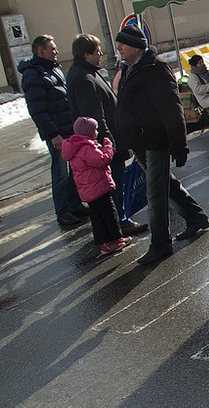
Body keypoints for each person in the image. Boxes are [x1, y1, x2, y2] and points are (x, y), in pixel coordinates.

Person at [114, 25, 209, 265]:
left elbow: (172, 108)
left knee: (155, 194)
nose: (118, 49)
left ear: (136, 46)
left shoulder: (155, 69)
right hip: (140, 142)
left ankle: (160, 245)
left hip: (156, 141)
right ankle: (196, 218)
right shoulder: (128, 69)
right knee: (166, 185)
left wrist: (180, 144)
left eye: (122, 45)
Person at [67, 33, 148, 237]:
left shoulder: (87, 72)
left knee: (114, 185)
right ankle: (120, 222)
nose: (102, 54)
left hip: (107, 141)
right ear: (86, 54)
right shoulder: (84, 78)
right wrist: (108, 144)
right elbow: (94, 116)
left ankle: (118, 222)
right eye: (97, 51)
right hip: (106, 145)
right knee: (114, 186)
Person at [18, 34, 88, 226]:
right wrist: (53, 134)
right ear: (41, 52)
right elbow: (37, 109)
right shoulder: (33, 74)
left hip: (67, 129)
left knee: (73, 169)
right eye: (52, 49)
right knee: (60, 173)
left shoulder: (53, 68)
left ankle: (75, 205)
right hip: (57, 134)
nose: (56, 52)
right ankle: (63, 211)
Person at [61, 117, 131, 255]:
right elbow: (103, 160)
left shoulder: (75, 147)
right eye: (95, 129)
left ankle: (107, 242)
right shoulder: (87, 148)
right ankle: (114, 241)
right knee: (109, 214)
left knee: (97, 217)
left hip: (87, 191)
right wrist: (108, 146)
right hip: (98, 188)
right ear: (88, 132)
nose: (97, 132)